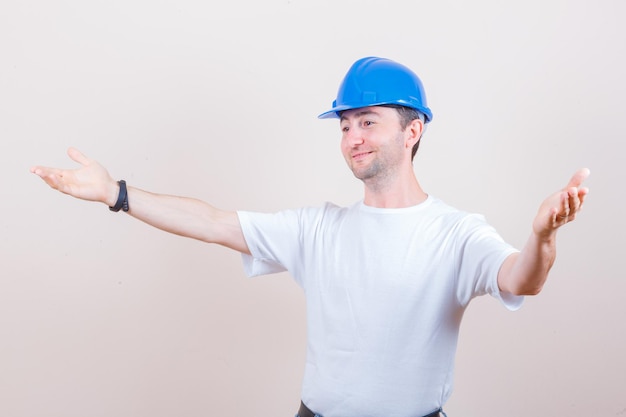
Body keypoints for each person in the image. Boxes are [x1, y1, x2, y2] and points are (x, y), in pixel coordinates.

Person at [31, 56, 589, 417]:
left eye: (367, 121)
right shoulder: (318, 229)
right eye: (345, 125)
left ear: (412, 130)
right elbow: (213, 221)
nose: (352, 137)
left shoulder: (457, 234)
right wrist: (116, 193)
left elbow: (521, 278)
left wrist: (542, 237)